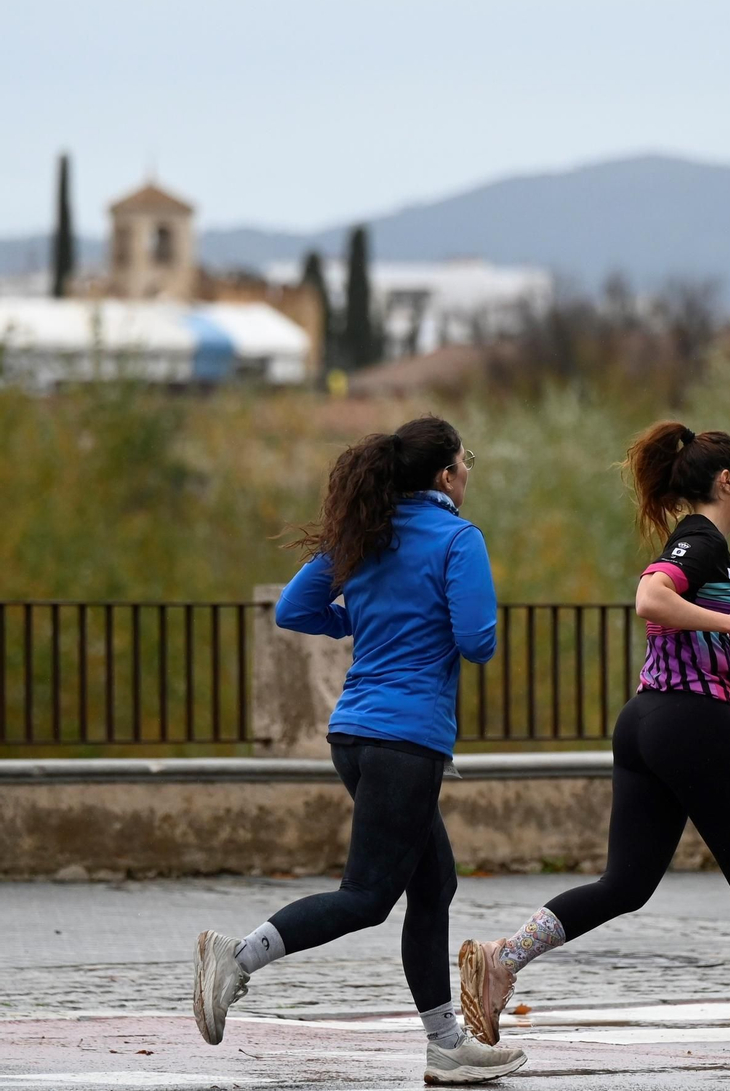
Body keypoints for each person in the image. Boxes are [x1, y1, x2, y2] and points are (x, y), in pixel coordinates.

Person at [456, 422, 730, 1070]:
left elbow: (692, 624)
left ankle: (502, 961)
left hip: (648, 721)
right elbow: (652, 597)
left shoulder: (711, 551)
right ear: (726, 480)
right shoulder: (699, 538)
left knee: (626, 883)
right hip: (695, 726)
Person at [191, 416, 527, 1086]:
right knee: (369, 896)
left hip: (355, 735)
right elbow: (479, 640)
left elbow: (293, 608)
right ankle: (236, 956)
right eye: (466, 464)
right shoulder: (460, 539)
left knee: (434, 885)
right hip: (407, 740)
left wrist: (360, 617)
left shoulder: (366, 534)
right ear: (445, 476)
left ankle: (446, 1045)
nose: (469, 475)